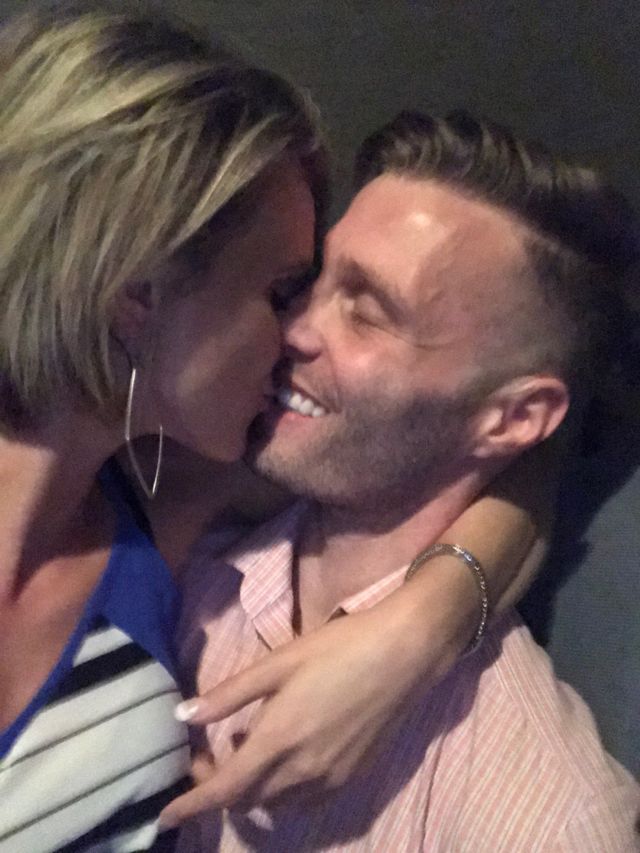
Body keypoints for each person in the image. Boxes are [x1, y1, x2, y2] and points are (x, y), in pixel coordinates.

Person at [0, 8, 546, 851]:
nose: (298, 334)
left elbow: (520, 462)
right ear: (137, 295)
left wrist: (414, 633)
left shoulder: (157, 498)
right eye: (283, 289)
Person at [172, 111, 640, 850]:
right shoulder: (187, 561)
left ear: (514, 418)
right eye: (311, 281)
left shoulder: (549, 819)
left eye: (367, 311)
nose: (293, 328)